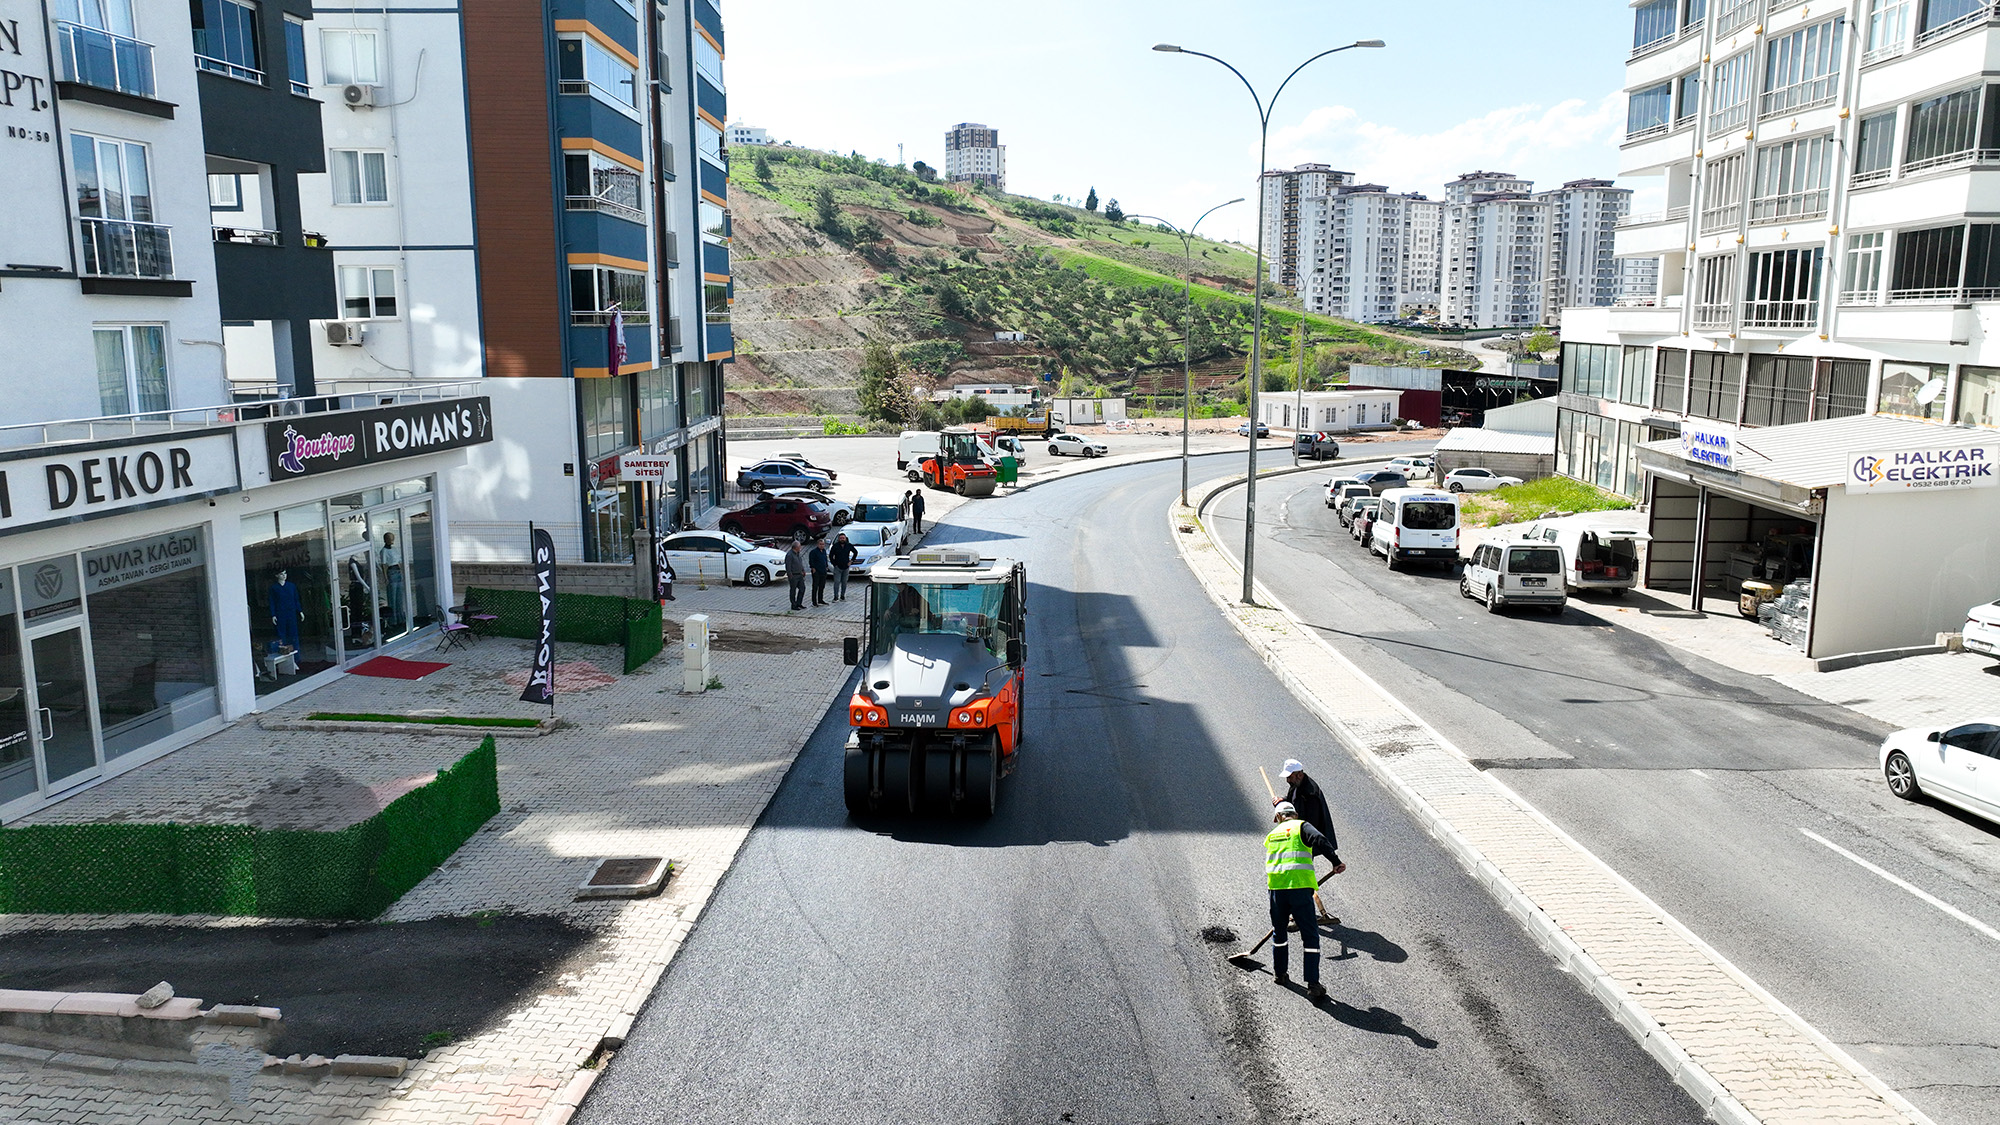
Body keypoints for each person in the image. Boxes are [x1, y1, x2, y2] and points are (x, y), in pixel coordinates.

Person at [1266, 801, 1342, 1001]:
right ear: (1295, 814)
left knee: (1279, 932)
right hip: (1299, 889)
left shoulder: (1271, 835)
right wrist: (1335, 862)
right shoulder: (1302, 826)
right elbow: (1319, 839)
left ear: (1278, 817)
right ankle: (1313, 984)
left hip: (1276, 891)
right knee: (1310, 936)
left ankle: (1280, 974)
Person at [1277, 758, 1341, 926]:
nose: (1287, 780)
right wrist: (1282, 802)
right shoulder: (1298, 785)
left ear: (1299, 774)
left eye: (1289, 776)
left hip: (1304, 844)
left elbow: (1312, 830)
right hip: (1297, 840)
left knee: (1300, 879)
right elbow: (1292, 799)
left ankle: (1298, 916)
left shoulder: (1310, 795)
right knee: (1300, 878)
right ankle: (1298, 912)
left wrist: (1335, 861)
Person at [829, 532, 857, 602]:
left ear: (845, 538)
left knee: (844, 583)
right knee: (837, 582)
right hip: (837, 567)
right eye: (841, 538)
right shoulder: (835, 546)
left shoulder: (849, 545)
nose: (842, 539)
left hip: (846, 567)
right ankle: (835, 597)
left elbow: (855, 552)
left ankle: (842, 596)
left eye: (843, 538)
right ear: (838, 539)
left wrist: (851, 561)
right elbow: (831, 555)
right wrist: (834, 564)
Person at [785, 536, 809, 611]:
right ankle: (793, 604)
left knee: (802, 589)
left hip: (800, 575)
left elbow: (800, 563)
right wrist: (790, 575)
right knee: (793, 590)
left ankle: (799, 603)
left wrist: (803, 570)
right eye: (799, 547)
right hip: (793, 575)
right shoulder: (790, 555)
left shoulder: (798, 554)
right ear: (796, 547)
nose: (800, 548)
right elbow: (788, 566)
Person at [808, 536, 832, 607]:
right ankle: (814, 602)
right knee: (815, 587)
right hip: (816, 571)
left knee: (822, 586)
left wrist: (826, 566)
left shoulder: (824, 551)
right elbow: (811, 561)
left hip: (823, 571)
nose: (822, 545)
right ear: (817, 544)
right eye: (820, 544)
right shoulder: (813, 552)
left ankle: (820, 599)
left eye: (823, 544)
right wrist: (813, 568)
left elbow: (825, 559)